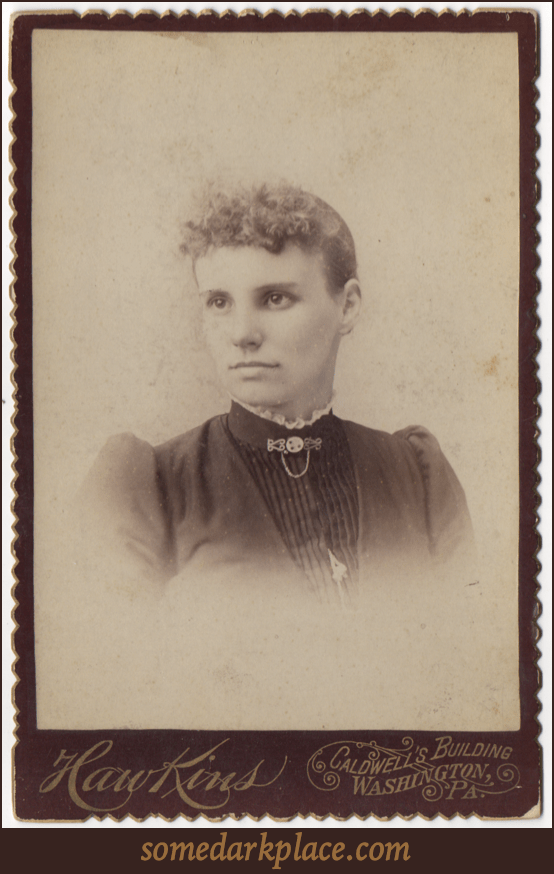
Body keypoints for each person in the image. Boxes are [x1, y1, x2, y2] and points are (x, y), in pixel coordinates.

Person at [77, 182, 473, 607]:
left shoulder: (416, 475)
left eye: (275, 298)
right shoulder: (150, 486)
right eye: (219, 302)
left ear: (348, 306)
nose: (243, 334)